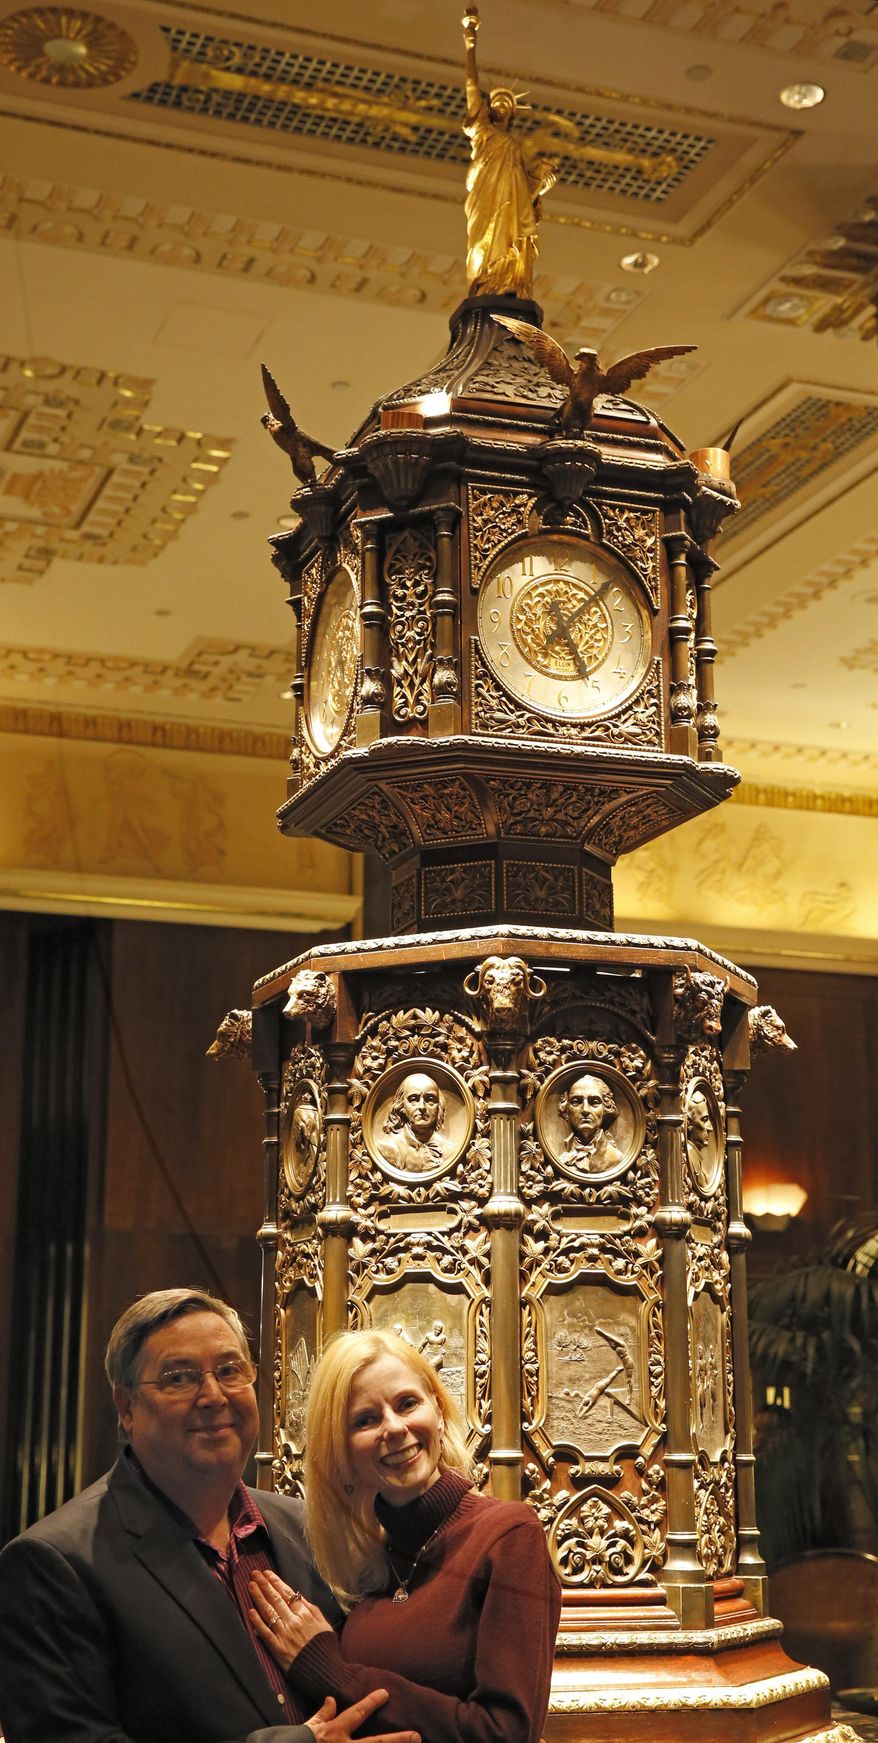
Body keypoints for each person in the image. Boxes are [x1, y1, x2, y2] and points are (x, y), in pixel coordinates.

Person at [0, 1289, 421, 1743]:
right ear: (126, 1409)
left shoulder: (305, 1525)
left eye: (229, 1370)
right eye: (179, 1378)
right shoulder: (53, 1564)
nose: (213, 1396)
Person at [246, 1328, 561, 1743]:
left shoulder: (508, 1535)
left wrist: (330, 1669)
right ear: (343, 1453)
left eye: (407, 1403)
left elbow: (505, 1734)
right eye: (365, 1420)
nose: (393, 1428)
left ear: (438, 1409)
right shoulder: (366, 1560)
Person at [462, 8, 557, 298]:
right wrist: (470, 45)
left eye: (508, 104)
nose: (502, 106)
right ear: (489, 108)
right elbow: (470, 86)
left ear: (513, 112)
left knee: (516, 240)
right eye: (498, 102)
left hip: (509, 207)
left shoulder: (512, 148)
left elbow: (519, 197)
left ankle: (509, 284)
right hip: (484, 197)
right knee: (482, 243)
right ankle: (487, 283)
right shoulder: (483, 132)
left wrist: (539, 186)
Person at [376, 1073, 452, 1173]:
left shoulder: (450, 1151)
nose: (422, 1107)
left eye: (430, 1100)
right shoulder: (387, 1148)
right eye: (413, 1100)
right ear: (402, 1106)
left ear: (439, 1107)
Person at [557, 1073, 623, 1172]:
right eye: (576, 1101)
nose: (585, 1110)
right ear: (566, 1109)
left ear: (605, 1108)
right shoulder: (561, 1156)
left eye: (594, 1102)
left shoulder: (617, 1158)